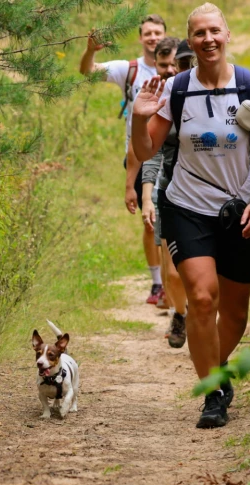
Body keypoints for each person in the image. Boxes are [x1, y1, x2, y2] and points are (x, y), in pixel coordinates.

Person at [130, 2, 250, 429]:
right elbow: (145, 153)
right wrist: (141, 121)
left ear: (227, 35)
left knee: (234, 314)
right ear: (190, 41)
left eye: (215, 31)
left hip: (240, 211)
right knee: (200, 298)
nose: (208, 39)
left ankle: (216, 367)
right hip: (187, 206)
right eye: (199, 33)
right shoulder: (177, 89)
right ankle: (212, 395)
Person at [80, 14, 167, 305]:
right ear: (141, 38)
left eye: (158, 33)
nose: (153, 38)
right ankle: (158, 284)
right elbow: (87, 72)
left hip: (173, 153)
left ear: (165, 35)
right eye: (148, 33)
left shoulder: (178, 67)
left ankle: (173, 282)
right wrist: (91, 50)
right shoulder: (129, 70)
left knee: (171, 219)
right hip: (139, 153)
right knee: (150, 220)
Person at [138, 37, 188, 348]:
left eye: (178, 65)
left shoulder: (203, 93)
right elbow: (150, 152)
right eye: (167, 65)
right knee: (174, 272)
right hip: (170, 190)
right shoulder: (161, 100)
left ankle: (200, 314)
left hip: (213, 193)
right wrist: (146, 195)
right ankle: (181, 313)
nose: (172, 71)